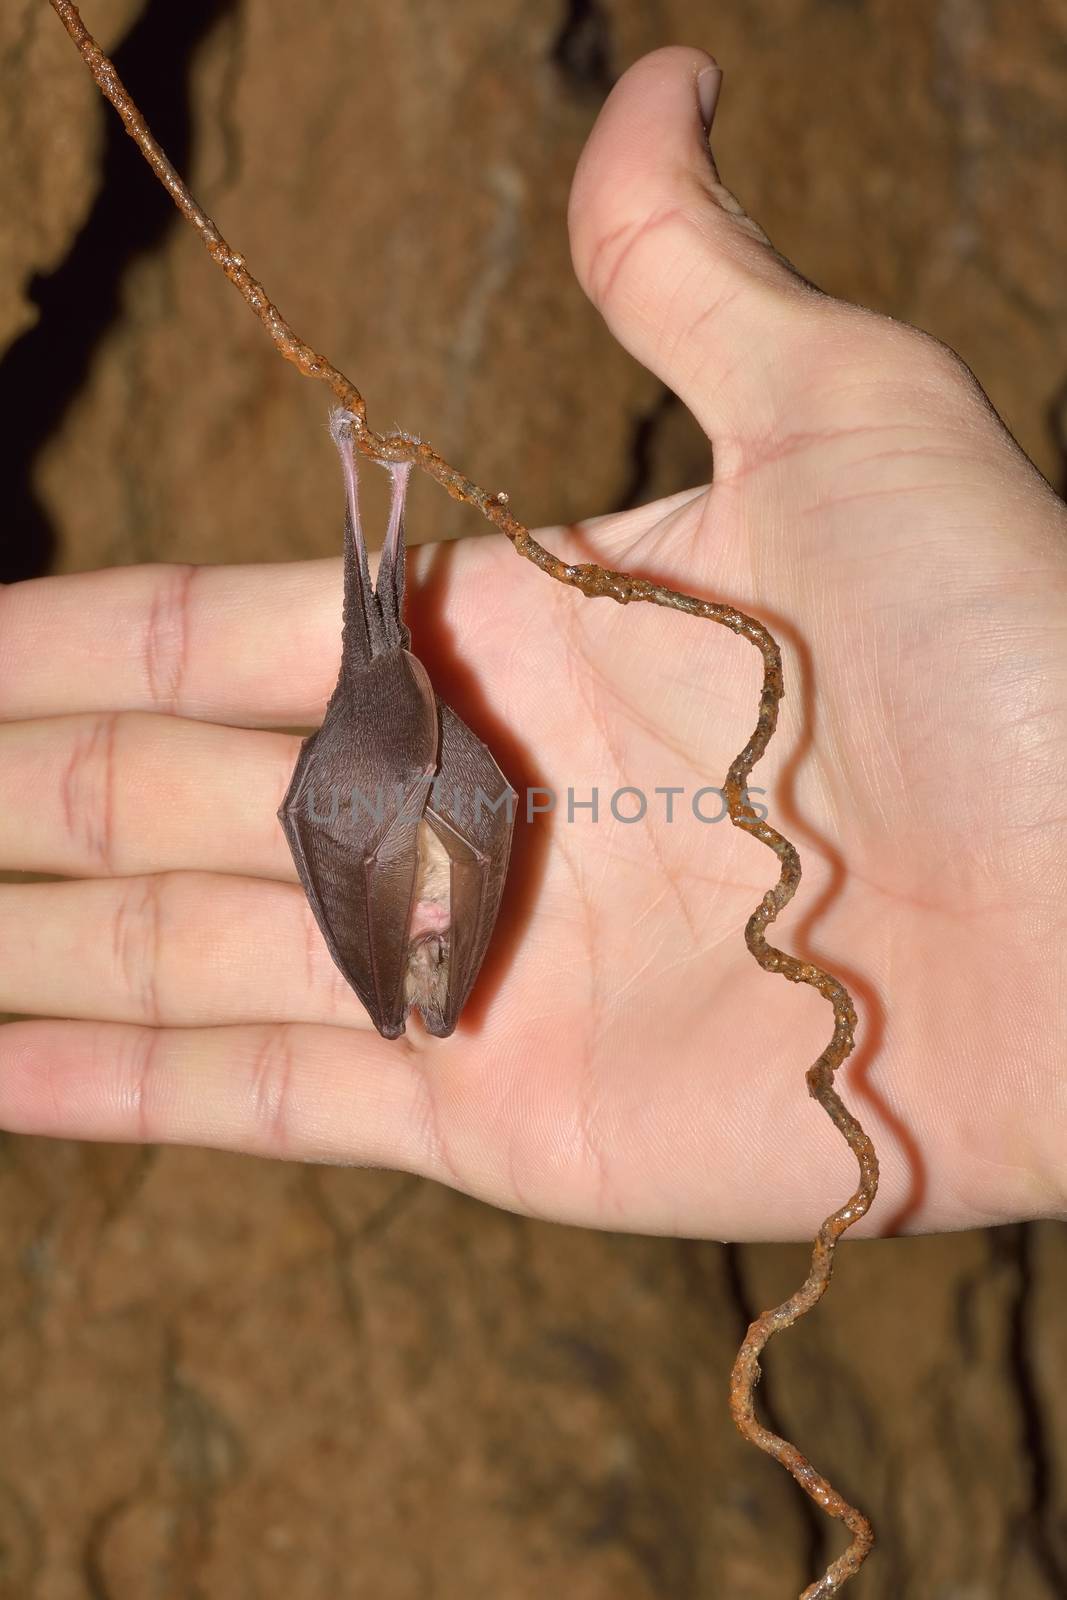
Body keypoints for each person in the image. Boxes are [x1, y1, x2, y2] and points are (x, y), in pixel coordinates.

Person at [0, 48, 1063, 1241]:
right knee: (380, 623)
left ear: (400, 951)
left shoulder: (379, 937)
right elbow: (470, 843)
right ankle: (369, 484)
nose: (432, 950)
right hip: (422, 776)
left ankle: (369, 485)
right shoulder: (444, 956)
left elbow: (354, 850)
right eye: (430, 958)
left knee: (372, 629)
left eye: (421, 956)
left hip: (372, 775)